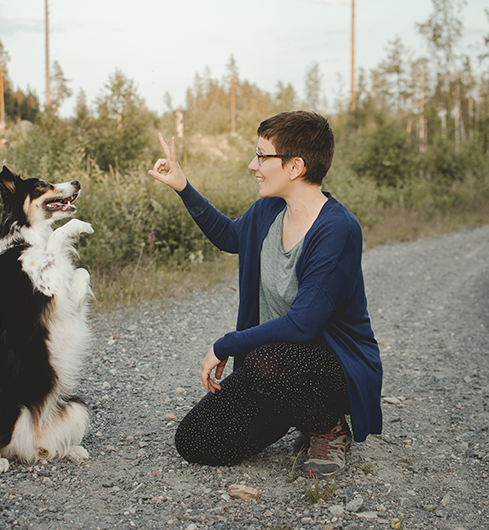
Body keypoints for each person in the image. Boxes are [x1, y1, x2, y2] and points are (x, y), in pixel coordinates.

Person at [147, 111, 382, 475]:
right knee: (195, 440)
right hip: (272, 370)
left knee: (265, 358)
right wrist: (182, 185)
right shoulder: (269, 210)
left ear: (294, 166)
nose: (252, 165)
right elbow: (228, 235)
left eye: (261, 156)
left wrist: (226, 344)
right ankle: (296, 414)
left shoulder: (338, 230)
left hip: (329, 370)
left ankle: (328, 426)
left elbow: (302, 324)